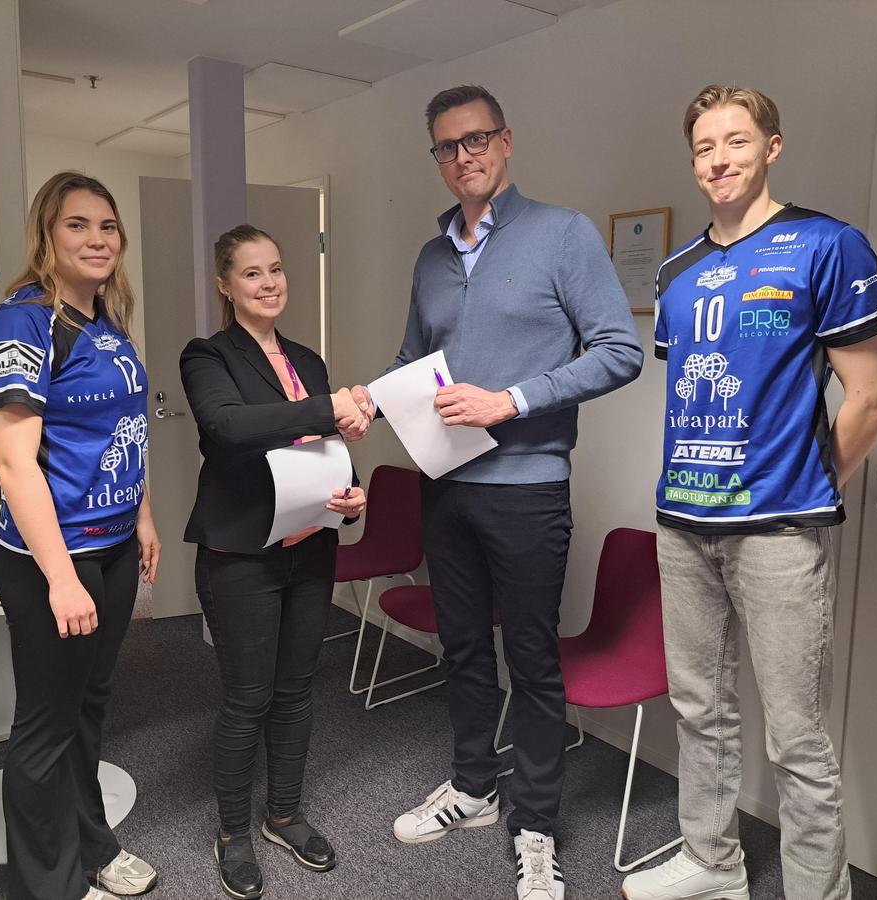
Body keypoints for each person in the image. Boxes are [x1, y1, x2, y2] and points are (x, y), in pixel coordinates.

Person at [352, 85, 642, 900]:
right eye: (446, 146)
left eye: (476, 139)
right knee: (464, 648)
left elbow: (620, 350)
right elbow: (412, 360)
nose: (463, 157)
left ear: (506, 142)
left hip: (527, 490)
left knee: (532, 658)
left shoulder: (563, 234)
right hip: (446, 486)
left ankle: (535, 825)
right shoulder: (431, 257)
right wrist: (367, 399)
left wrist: (509, 401)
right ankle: (474, 788)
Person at [621, 85, 877, 900]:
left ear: (771, 147)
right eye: (704, 147)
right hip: (682, 521)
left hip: (777, 530)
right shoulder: (677, 271)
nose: (719, 160)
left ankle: (817, 891)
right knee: (699, 710)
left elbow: (871, 396)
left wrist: (808, 482)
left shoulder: (826, 245)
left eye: (736, 141)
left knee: (797, 736)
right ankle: (713, 863)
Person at [0, 171, 161, 900]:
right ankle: (47, 885)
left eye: (107, 226)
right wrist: (60, 577)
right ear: (46, 235)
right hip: (54, 559)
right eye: (77, 225)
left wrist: (141, 515)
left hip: (112, 547)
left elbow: (123, 431)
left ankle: (93, 845)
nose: (97, 239)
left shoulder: (107, 323)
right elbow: (14, 464)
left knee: (88, 708)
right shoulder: (22, 323)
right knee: (46, 725)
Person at [180, 224, 369, 900]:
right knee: (248, 698)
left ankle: (283, 815)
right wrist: (327, 409)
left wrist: (352, 495)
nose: (269, 283)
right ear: (226, 285)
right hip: (242, 554)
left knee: (296, 690)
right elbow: (228, 427)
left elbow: (325, 447)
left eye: (277, 269)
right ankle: (233, 832)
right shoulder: (208, 356)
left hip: (310, 546)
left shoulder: (308, 360)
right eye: (252, 273)